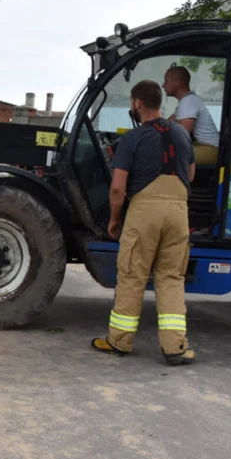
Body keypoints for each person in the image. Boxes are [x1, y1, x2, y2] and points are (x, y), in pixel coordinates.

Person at [92, 79, 197, 365]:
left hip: (144, 211)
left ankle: (119, 342)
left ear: (137, 103)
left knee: (132, 275)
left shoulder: (133, 138)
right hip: (178, 211)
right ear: (159, 102)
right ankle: (175, 347)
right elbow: (192, 173)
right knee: (171, 278)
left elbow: (118, 187)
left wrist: (115, 219)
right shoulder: (181, 134)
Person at [162, 66, 219, 166]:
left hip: (210, 150)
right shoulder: (186, 101)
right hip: (201, 146)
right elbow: (165, 125)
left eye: (166, 81)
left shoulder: (188, 101)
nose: (163, 85)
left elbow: (182, 135)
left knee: (164, 154)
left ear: (177, 82)